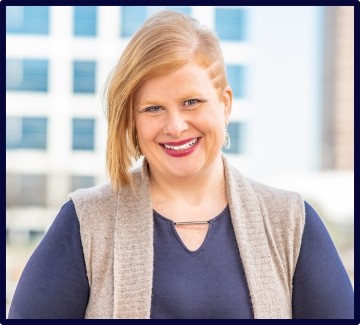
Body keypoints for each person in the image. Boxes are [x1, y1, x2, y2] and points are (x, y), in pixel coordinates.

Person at [8, 10, 353, 319]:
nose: (175, 126)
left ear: (225, 105)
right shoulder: (85, 222)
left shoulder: (291, 222)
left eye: (191, 102)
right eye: (153, 108)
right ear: (132, 120)